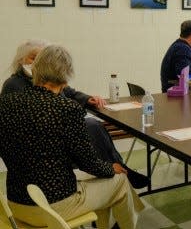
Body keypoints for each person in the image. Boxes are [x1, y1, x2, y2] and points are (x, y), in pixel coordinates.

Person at [0, 45, 144, 229]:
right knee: (120, 181)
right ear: (66, 75)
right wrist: (111, 167)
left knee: (103, 181)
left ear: (35, 71)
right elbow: (88, 163)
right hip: (54, 206)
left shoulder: (6, 102)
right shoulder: (66, 108)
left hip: (16, 204)